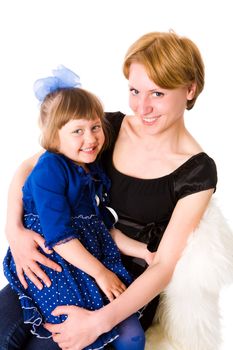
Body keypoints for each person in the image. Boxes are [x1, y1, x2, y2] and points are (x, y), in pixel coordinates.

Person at [1, 31, 233, 350]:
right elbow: (31, 168)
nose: (143, 107)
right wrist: (14, 231)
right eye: (135, 90)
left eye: (158, 94)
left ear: (189, 89)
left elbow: (164, 266)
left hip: (120, 290)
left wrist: (99, 322)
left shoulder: (196, 171)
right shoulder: (106, 128)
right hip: (64, 259)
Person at [2, 65, 150, 349]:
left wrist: (143, 250)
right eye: (78, 131)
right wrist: (100, 273)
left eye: (95, 127)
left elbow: (102, 228)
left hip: (88, 260)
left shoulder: (88, 169)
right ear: (54, 137)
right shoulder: (50, 168)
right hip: (56, 263)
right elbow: (59, 237)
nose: (91, 138)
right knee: (65, 328)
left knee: (132, 332)